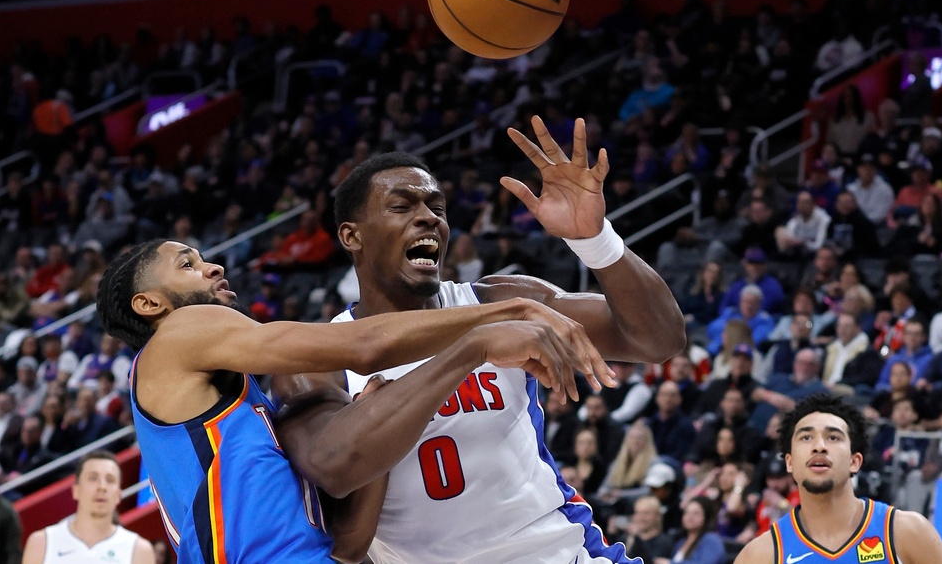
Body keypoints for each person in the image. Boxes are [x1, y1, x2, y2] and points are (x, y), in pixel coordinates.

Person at [276, 117, 685, 564]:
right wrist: (469, 351)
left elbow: (658, 338)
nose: (428, 217)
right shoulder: (317, 355)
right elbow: (333, 470)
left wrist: (595, 239)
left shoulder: (498, 298)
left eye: (436, 206)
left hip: (562, 553)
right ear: (351, 235)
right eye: (402, 206)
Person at [96, 236, 601, 563]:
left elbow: (350, 544)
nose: (213, 266)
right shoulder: (180, 331)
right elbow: (364, 346)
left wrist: (372, 422)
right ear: (150, 304)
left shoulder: (232, 409)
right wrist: (504, 315)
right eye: (188, 264)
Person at [733, 393, 942, 564]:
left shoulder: (906, 531)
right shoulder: (760, 555)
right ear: (789, 462)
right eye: (806, 437)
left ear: (854, 461)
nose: (819, 446)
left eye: (833, 437)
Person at [21, 450, 154, 564]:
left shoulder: (139, 550)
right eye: (93, 478)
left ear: (119, 495)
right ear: (75, 490)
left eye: (110, 480)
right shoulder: (42, 542)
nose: (102, 487)